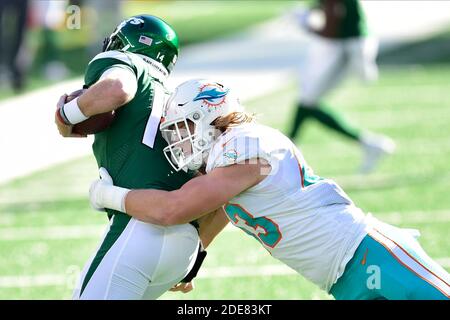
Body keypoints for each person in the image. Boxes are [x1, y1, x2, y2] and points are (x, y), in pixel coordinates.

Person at [89, 78, 449, 299]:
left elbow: (173, 209)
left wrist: (109, 196)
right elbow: (222, 205)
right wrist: (198, 254)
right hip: (342, 280)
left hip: (370, 254)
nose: (179, 142)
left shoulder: (245, 145)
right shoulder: (226, 156)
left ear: (207, 117)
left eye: (182, 129)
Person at [54, 16, 225, 300]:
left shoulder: (125, 64)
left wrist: (66, 115)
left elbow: (116, 89)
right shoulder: (177, 101)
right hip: (185, 245)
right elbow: (221, 191)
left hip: (137, 231)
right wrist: (198, 254)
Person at [288, 0, 395, 173]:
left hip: (349, 49)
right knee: (307, 100)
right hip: (350, 45)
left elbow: (330, 30)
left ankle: (287, 149)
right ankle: (370, 144)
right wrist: (309, 11)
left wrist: (305, 25)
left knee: (307, 100)